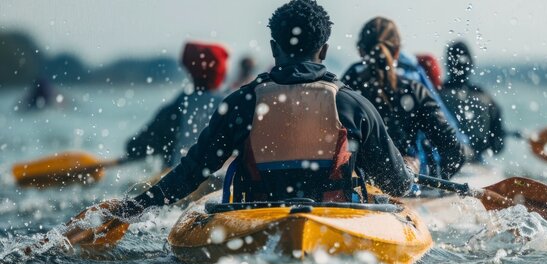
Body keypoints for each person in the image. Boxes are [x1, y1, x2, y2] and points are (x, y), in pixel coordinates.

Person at [63, 0, 415, 242]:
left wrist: (134, 207)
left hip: (252, 220)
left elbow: (190, 173)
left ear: (275, 48)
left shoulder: (243, 102)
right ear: (323, 50)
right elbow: (397, 186)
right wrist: (409, 169)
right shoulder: (355, 106)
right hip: (335, 225)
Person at [342, 17, 465, 179]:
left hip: (354, 186)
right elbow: (454, 149)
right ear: (398, 51)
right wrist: (440, 180)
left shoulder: (344, 89)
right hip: (404, 185)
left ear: (360, 50)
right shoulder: (414, 91)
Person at [125, 42, 229, 169]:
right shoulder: (231, 102)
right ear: (221, 73)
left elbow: (135, 148)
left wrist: (161, 148)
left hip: (179, 176)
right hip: (219, 176)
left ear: (190, 71)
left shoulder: (179, 105)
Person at [439, 41, 505, 161]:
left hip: (445, 163)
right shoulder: (486, 99)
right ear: (471, 65)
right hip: (477, 164)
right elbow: (497, 146)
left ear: (448, 64)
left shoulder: (435, 96)